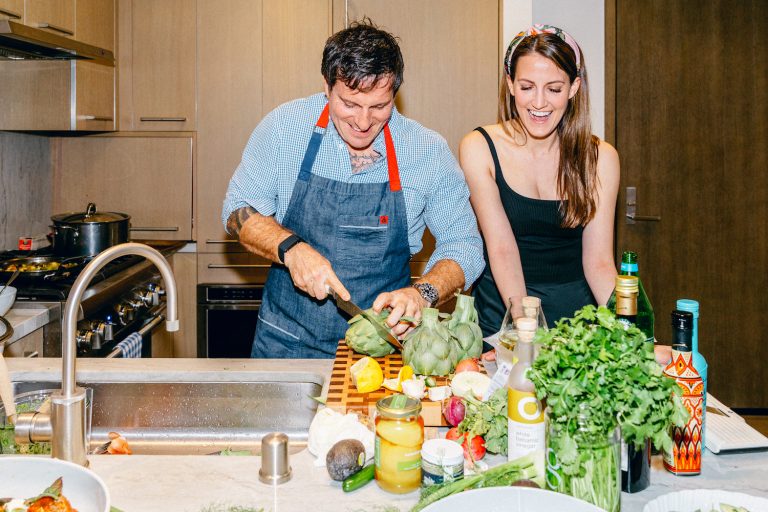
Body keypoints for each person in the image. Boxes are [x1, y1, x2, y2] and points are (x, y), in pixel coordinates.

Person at [222, 20, 484, 358]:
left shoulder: (426, 151)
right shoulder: (283, 128)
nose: (363, 123)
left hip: (383, 348)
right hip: (286, 344)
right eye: (349, 104)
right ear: (327, 87)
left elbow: (464, 244)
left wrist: (423, 295)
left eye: (379, 107)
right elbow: (237, 211)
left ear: (396, 93)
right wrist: (291, 248)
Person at [459, 24, 619, 337]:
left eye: (554, 89)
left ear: (573, 88)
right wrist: (527, 332)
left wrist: (628, 333)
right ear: (511, 84)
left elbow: (600, 262)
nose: (540, 103)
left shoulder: (601, 158)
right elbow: (502, 249)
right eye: (527, 86)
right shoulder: (479, 148)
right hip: (504, 316)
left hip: (577, 322)